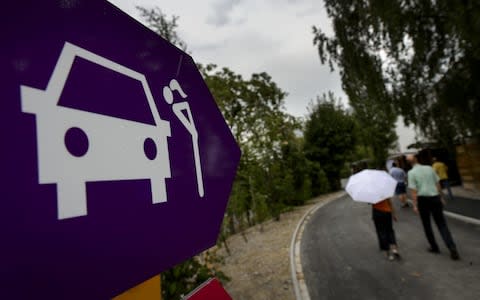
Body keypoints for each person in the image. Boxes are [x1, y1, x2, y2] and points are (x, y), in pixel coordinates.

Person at [406, 154, 460, 260]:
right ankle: (452, 247)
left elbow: (413, 191)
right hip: (435, 197)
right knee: (441, 224)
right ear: (417, 159)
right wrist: (441, 197)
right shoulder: (429, 168)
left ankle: (434, 247)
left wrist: (415, 205)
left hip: (423, 200)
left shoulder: (411, 173)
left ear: (409, 163)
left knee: (427, 225)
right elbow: (437, 183)